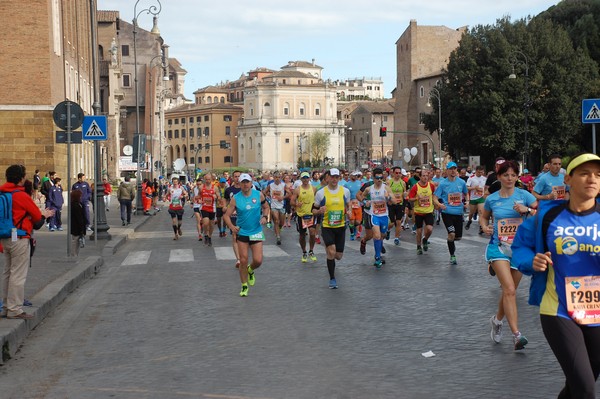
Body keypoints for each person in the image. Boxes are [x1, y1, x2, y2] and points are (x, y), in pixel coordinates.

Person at [512, 153, 600, 397]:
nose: (592, 179)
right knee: (585, 388)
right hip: (558, 310)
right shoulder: (547, 217)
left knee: (581, 382)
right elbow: (520, 248)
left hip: (596, 311)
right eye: (584, 173)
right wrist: (531, 260)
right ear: (568, 180)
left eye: (598, 175)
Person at [480, 160, 537, 351]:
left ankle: (497, 321)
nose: (510, 178)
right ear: (499, 177)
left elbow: (542, 212)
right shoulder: (492, 199)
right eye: (506, 175)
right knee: (510, 290)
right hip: (499, 248)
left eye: (513, 175)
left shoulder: (524, 195)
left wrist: (527, 210)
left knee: (509, 291)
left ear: (517, 177)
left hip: (520, 249)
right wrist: (484, 226)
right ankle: (516, 335)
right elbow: (484, 215)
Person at [0, 165, 53, 319]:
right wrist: (43, 214)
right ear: (21, 178)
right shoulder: (21, 195)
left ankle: (5, 307)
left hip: (4, 237)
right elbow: (37, 217)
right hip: (20, 237)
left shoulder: (2, 192)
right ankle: (15, 309)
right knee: (17, 274)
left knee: (7, 273)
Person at [223, 173, 270, 297]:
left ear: (251, 183)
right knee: (243, 260)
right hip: (243, 232)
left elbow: (266, 207)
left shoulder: (258, 194)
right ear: (240, 183)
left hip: (256, 231)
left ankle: (250, 270)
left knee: (258, 261)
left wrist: (265, 217)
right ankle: (244, 286)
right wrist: (232, 227)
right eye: (243, 182)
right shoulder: (236, 198)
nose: (245, 184)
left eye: (247, 182)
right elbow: (226, 215)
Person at [312, 168, 351, 288]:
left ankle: (329, 252)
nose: (334, 179)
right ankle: (332, 279)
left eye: (337, 177)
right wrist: (319, 211)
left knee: (338, 256)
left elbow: (348, 205)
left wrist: (349, 211)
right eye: (332, 177)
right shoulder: (321, 193)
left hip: (340, 226)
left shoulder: (345, 191)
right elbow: (313, 210)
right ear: (327, 178)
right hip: (327, 226)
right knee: (331, 252)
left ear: (339, 178)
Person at [434, 161, 469, 265]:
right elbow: (435, 198)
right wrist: (440, 205)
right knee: (451, 234)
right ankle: (452, 255)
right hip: (447, 212)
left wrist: (467, 201)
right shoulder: (443, 184)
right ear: (447, 171)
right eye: (451, 169)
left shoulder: (461, 182)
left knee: (457, 237)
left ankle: (450, 241)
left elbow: (466, 194)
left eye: (455, 169)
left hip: (458, 212)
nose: (453, 171)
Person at [360, 167, 396, 267]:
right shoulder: (368, 189)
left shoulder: (386, 188)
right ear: (373, 178)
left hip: (384, 216)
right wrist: (364, 202)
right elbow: (360, 197)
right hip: (374, 215)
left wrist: (388, 197)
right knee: (377, 236)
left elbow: (394, 201)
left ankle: (379, 250)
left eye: (381, 178)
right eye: (377, 178)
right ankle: (377, 257)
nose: (379, 180)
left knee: (382, 236)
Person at [408, 169, 436, 255]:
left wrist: (437, 204)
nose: (425, 177)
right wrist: (417, 198)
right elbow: (410, 199)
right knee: (419, 231)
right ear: (420, 177)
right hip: (418, 212)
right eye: (423, 176)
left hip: (429, 211)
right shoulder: (415, 187)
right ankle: (418, 246)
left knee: (429, 229)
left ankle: (425, 239)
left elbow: (434, 196)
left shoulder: (431, 186)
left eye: (426, 176)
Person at [291, 171, 317, 263]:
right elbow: (292, 202)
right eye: (304, 178)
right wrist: (296, 204)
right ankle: (304, 252)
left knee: (312, 233)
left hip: (311, 215)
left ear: (309, 178)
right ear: (301, 179)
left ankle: (311, 251)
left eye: (307, 177)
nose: (305, 179)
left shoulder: (314, 189)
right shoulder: (297, 190)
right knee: (302, 235)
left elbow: (317, 200)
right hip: (301, 216)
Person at [224, 170, 242, 268]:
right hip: (234, 217)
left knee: (243, 238)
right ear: (233, 178)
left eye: (239, 176)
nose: (237, 178)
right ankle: (238, 259)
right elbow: (226, 200)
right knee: (235, 237)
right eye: (235, 176)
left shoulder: (247, 189)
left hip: (245, 217)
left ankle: (243, 256)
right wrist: (224, 206)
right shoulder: (229, 190)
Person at [264, 171, 287, 245]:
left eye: (279, 177)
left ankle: (279, 228)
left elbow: (289, 193)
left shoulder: (283, 185)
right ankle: (278, 237)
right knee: (276, 221)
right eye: (276, 177)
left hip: (282, 206)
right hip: (273, 206)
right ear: (273, 178)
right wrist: (267, 195)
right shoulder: (270, 185)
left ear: (280, 178)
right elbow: (264, 191)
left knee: (282, 222)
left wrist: (282, 197)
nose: (277, 179)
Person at [388, 166, 407, 245]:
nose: (398, 174)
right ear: (393, 173)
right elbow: (387, 192)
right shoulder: (389, 182)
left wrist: (405, 198)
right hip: (391, 204)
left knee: (398, 222)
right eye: (396, 173)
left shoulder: (403, 183)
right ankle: (388, 230)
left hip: (400, 204)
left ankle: (396, 237)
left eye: (400, 173)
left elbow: (405, 194)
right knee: (392, 223)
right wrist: (389, 199)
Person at [465, 165, 487, 233]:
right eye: (479, 172)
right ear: (476, 171)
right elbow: (467, 188)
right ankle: (469, 221)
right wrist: (474, 188)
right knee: (471, 212)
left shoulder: (484, 178)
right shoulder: (471, 178)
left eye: (481, 172)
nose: (480, 173)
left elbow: (486, 188)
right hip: (473, 198)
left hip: (481, 198)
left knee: (481, 213)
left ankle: (481, 227)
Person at [70, 189, 87, 257]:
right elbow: (79, 217)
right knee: (75, 240)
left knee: (78, 241)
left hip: (79, 226)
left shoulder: (80, 204)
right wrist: (81, 227)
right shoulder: (75, 205)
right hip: (76, 226)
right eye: (80, 196)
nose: (81, 197)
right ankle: (74, 254)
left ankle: (76, 254)